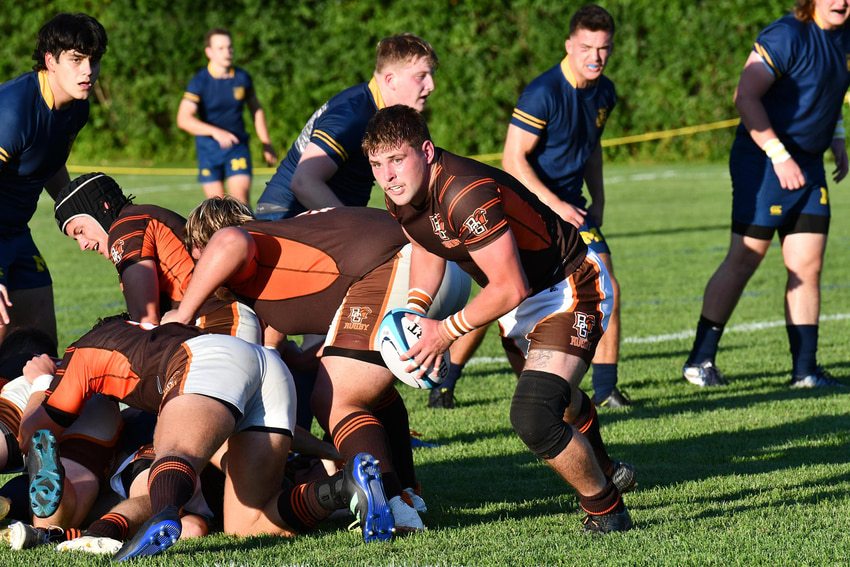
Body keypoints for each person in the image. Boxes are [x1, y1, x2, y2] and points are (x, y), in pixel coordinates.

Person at [362, 105, 634, 533]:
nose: (388, 175)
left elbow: (510, 286)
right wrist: (414, 308)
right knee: (555, 399)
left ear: (426, 151)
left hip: (567, 288)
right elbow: (429, 243)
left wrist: (444, 332)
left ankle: (607, 512)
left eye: (397, 159)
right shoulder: (402, 193)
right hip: (520, 301)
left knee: (535, 414)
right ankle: (607, 467)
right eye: (377, 165)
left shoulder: (465, 193)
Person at [161, 198, 470, 532]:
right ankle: (407, 492)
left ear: (202, 246)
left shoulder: (239, 242)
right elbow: (277, 349)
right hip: (433, 267)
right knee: (369, 390)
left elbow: (230, 240)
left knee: (335, 399)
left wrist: (183, 314)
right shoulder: (280, 251)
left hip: (409, 269)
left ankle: (393, 506)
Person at [18, 315, 395, 560]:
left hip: (202, 364)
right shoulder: (149, 334)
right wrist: (329, 450)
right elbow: (227, 389)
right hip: (264, 366)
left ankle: (161, 517)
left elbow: (37, 431)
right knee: (247, 525)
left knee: (176, 451)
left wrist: (41, 381)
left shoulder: (84, 350)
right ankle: (344, 487)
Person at [682, 0, 849, 388]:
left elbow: (829, 91)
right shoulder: (787, 34)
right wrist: (779, 156)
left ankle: (805, 371)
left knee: (807, 266)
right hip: (764, 161)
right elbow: (745, 96)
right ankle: (699, 361)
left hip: (808, 165)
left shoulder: (845, 38)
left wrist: (837, 139)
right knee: (745, 257)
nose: (841, 1)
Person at [501, 4, 628, 408]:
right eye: (587, 47)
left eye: (603, 48)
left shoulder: (604, 92)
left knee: (608, 286)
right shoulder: (543, 93)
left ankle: (607, 391)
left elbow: (592, 149)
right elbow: (512, 160)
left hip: (573, 210)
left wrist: (599, 199)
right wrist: (554, 203)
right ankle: (446, 382)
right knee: (506, 296)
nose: (595, 56)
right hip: (529, 210)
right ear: (569, 45)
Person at [0, 13, 107, 349]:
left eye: (93, 60)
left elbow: (51, 163)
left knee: (40, 349)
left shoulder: (77, 108)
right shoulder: (12, 112)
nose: (88, 71)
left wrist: (79, 215)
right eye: (76, 60)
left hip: (15, 233)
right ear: (50, 61)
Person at [54, 172, 261, 342]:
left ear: (103, 207)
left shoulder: (125, 226)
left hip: (218, 327)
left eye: (80, 231)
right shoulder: (142, 217)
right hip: (231, 323)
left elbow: (146, 321)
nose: (83, 245)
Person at [255, 33, 436, 220]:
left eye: (432, 75)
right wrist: (353, 226)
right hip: (282, 216)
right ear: (390, 80)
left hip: (310, 218)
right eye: (421, 76)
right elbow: (303, 182)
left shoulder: (376, 109)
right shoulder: (352, 116)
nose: (431, 85)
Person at [176, 28, 277, 206]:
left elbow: (256, 109)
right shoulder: (200, 81)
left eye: (230, 47)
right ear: (209, 52)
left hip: (236, 146)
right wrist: (216, 132)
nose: (227, 52)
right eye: (221, 48)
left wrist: (266, 142)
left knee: (239, 203)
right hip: (208, 149)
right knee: (217, 207)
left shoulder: (242, 78)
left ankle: (249, 225)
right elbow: (183, 119)